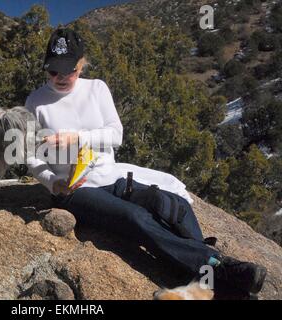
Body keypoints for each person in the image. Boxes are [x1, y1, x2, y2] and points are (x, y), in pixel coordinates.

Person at [25, 28, 267, 296]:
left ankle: (204, 277)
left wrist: (78, 138)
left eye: (67, 70)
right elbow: (30, 154)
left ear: (81, 65)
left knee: (173, 205)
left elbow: (116, 135)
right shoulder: (35, 102)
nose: (59, 78)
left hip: (111, 176)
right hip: (73, 189)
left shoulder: (96, 89)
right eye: (53, 71)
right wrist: (52, 181)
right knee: (136, 217)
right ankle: (220, 269)